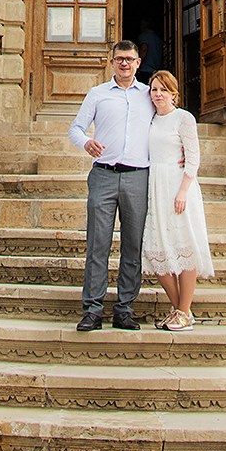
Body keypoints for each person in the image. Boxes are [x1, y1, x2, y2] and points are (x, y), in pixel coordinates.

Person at [68, 40, 154, 331]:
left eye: (130, 59)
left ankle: (125, 308)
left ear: (138, 63)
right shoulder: (98, 94)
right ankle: (92, 309)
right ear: (111, 62)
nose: (125, 64)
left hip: (137, 177)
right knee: (98, 244)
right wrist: (86, 142)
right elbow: (76, 128)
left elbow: (167, 126)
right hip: (103, 175)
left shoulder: (149, 95)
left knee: (133, 244)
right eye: (119, 59)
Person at [141, 70, 213, 332]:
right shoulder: (149, 120)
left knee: (184, 244)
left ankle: (182, 311)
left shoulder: (184, 118)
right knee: (155, 249)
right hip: (154, 186)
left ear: (173, 93)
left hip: (178, 186)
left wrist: (183, 190)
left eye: (163, 89)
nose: (157, 94)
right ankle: (181, 310)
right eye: (154, 89)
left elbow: (193, 157)